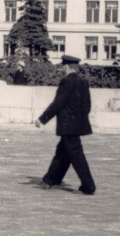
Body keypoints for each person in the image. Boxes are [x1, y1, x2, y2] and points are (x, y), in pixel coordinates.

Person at [34, 55, 95, 195]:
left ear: (66, 66)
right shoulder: (83, 82)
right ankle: (51, 179)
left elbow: (58, 103)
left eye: (62, 66)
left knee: (77, 156)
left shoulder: (67, 82)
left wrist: (42, 119)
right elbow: (88, 105)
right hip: (78, 124)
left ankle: (88, 186)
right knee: (62, 152)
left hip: (68, 125)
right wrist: (80, 119)